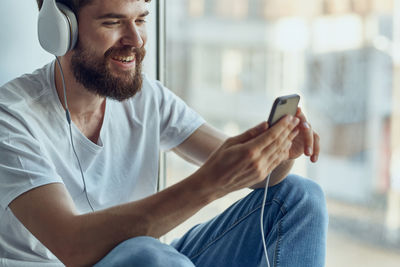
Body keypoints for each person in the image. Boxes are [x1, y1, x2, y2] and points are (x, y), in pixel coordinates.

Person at [0, 0, 328, 266]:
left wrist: (281, 152)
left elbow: (256, 176)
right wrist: (210, 184)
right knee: (149, 255)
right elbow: (71, 245)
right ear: (61, 29)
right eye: (113, 23)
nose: (136, 40)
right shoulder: (12, 116)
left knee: (300, 197)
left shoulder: (147, 99)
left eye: (141, 20)